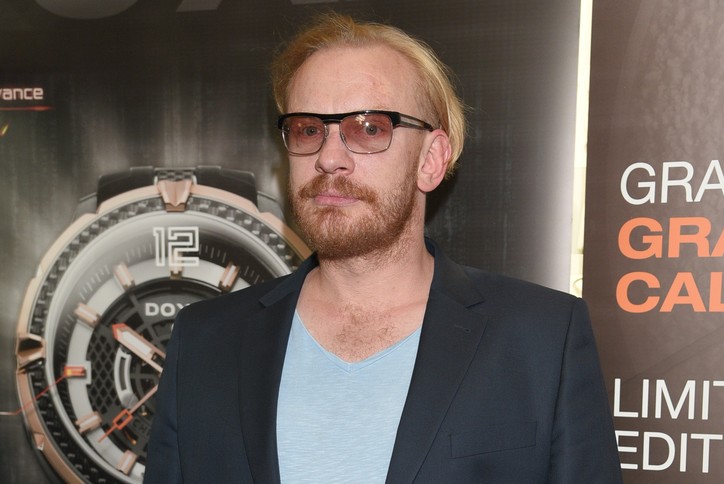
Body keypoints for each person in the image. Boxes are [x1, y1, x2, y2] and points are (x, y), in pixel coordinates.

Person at [145, 12, 622, 483]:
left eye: (369, 128)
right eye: (309, 129)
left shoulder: (541, 339)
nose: (329, 158)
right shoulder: (205, 342)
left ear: (431, 160)